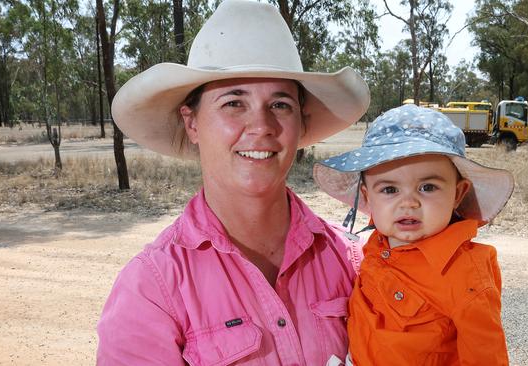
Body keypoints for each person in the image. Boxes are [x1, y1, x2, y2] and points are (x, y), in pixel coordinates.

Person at [96, 0, 370, 364]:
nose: (261, 126)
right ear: (192, 123)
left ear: (300, 123)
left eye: (280, 105)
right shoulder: (152, 288)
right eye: (233, 103)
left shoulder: (353, 261)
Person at [314, 104, 514, 365]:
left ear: (458, 194)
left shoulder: (465, 273)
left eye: (427, 187)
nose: (408, 203)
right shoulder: (376, 244)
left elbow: (485, 358)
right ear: (367, 196)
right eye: (389, 190)